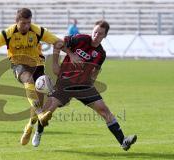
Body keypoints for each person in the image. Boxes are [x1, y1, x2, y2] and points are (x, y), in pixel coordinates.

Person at [0, 8, 80, 147]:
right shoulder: (8, 33)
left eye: (28, 23)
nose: (26, 26)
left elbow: (57, 42)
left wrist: (70, 54)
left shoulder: (38, 31)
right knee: (28, 80)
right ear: (16, 22)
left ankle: (29, 126)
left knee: (37, 102)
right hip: (18, 65)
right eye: (23, 23)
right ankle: (40, 114)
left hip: (38, 65)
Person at [38, 20, 137, 151]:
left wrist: (91, 80)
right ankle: (38, 133)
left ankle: (123, 141)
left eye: (100, 33)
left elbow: (95, 71)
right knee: (49, 109)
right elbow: (58, 43)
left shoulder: (101, 54)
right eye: (95, 31)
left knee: (104, 110)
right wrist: (63, 59)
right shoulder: (80, 39)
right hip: (65, 82)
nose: (96, 35)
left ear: (105, 36)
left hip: (84, 85)